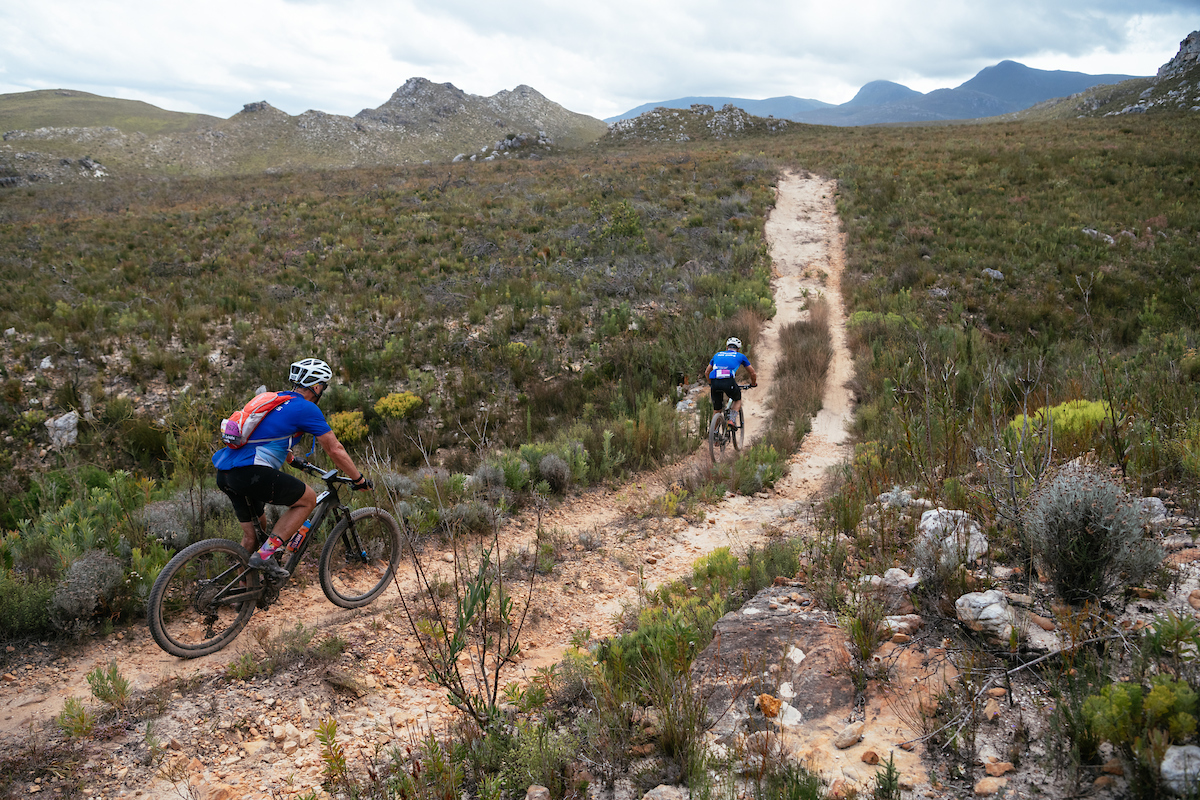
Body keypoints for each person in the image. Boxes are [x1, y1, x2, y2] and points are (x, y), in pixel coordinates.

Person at [213, 358, 372, 579]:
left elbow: (267, 435)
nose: (322, 391)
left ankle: (244, 594)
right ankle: (267, 555)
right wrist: (358, 479)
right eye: (323, 387)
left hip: (226, 473)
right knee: (307, 499)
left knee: (253, 536)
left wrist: (291, 459)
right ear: (317, 387)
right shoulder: (306, 408)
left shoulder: (277, 399)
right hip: (250, 473)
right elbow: (335, 449)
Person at [704, 337, 758, 428]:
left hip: (715, 381)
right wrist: (753, 383)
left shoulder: (717, 355)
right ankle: (732, 420)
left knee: (717, 410)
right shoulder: (740, 356)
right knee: (737, 399)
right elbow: (752, 373)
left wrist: (710, 384)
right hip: (728, 380)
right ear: (738, 349)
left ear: (726, 347)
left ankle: (714, 435)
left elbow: (706, 372)